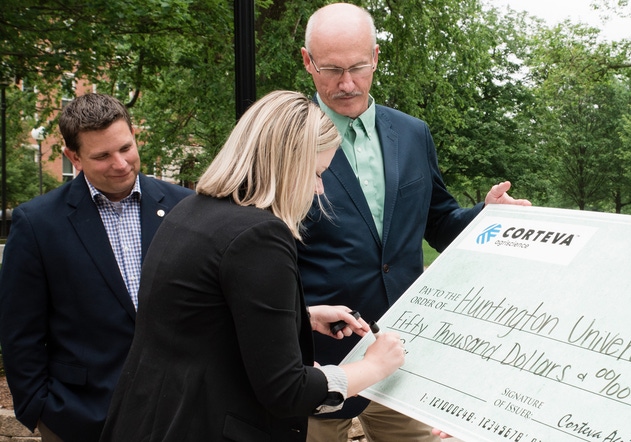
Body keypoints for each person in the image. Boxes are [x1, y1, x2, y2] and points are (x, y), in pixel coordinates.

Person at [98, 90, 406, 442]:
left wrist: (300, 317)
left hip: (149, 420)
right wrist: (374, 366)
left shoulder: (190, 211)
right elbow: (286, 390)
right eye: (317, 172)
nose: (320, 189)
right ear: (288, 166)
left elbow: (202, 321)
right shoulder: (259, 236)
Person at [297, 3, 531, 441]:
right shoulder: (285, 140)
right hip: (315, 363)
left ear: (377, 57)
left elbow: (440, 222)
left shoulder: (412, 133)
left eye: (358, 67)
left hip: (402, 355)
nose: (346, 84)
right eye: (330, 70)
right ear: (307, 61)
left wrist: (488, 216)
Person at [0, 93, 193, 442]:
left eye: (126, 148)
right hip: (79, 418)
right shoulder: (38, 223)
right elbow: (20, 332)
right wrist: (40, 409)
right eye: (102, 156)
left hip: (177, 413)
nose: (120, 164)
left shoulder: (186, 207)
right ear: (73, 157)